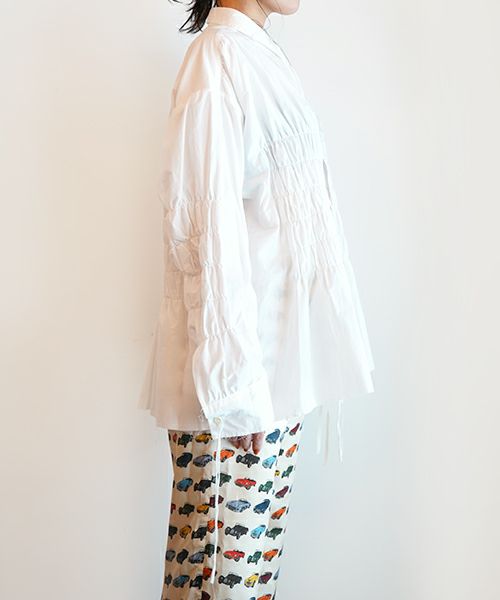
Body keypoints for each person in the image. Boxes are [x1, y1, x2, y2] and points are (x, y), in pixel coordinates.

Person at [137, 1, 375, 598]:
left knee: (249, 583)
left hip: (271, 382)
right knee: (221, 582)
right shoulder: (216, 60)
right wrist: (234, 389)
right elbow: (205, 230)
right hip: (235, 394)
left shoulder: (258, 56)